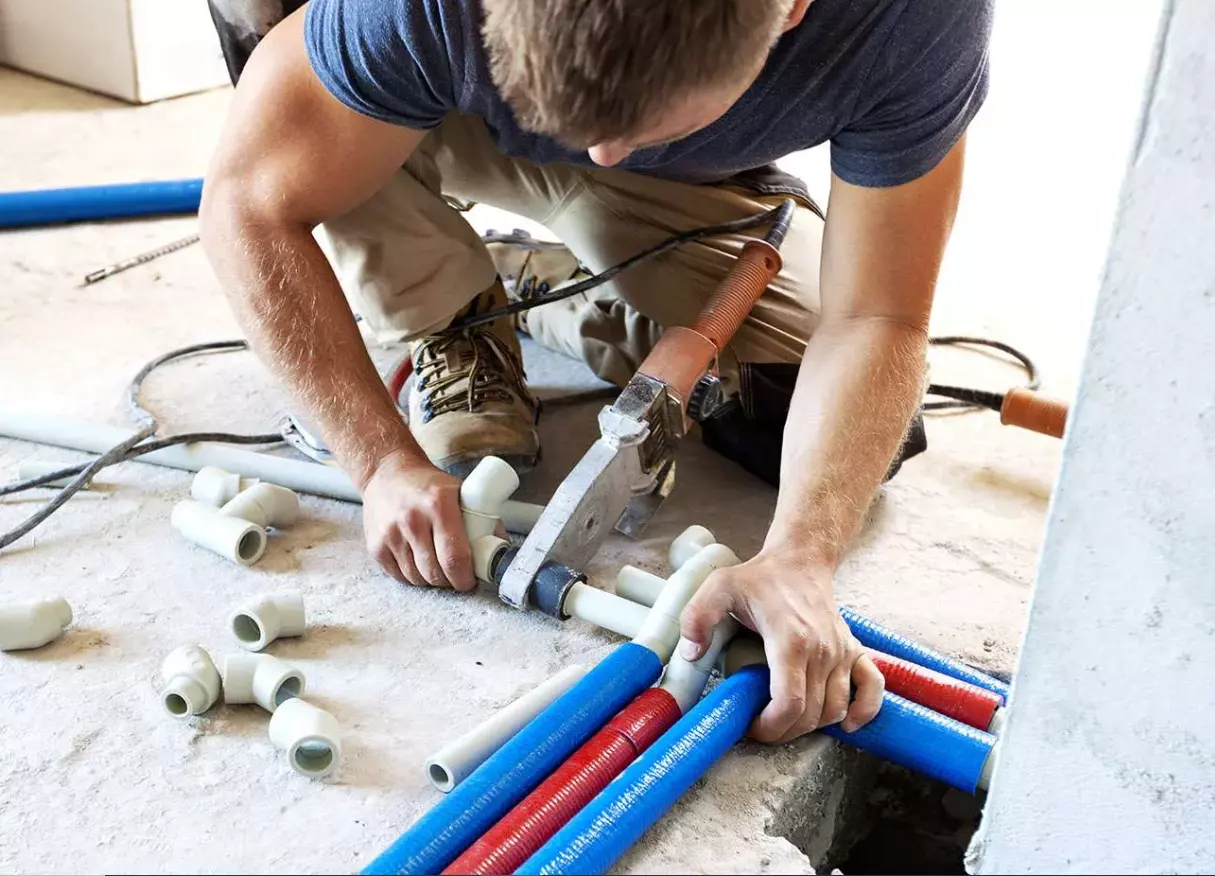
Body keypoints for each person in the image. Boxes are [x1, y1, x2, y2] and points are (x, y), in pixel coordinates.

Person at [200, 0, 993, 744]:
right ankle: (447, 308)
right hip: (424, 112)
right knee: (297, 90)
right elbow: (248, 203)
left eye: (637, 119)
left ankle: (540, 283)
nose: (601, 150)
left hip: (675, 172)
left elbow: (877, 318)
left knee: (812, 421)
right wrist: (378, 463)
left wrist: (802, 556)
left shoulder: (912, 21)